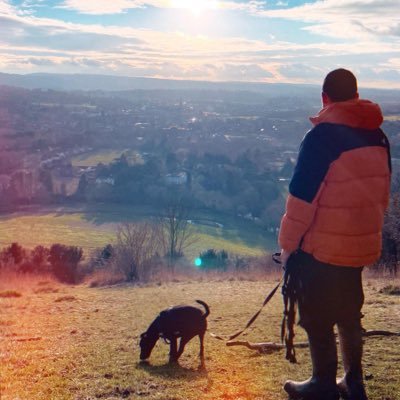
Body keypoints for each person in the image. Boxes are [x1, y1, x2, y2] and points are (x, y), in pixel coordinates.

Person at [278, 68, 391, 400]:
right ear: (356, 96)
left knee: (316, 315)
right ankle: (354, 384)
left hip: (322, 249)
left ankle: (322, 384)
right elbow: (383, 193)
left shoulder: (321, 138)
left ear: (324, 98)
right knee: (349, 312)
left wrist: (287, 246)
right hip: (360, 246)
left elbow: (302, 199)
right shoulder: (379, 136)